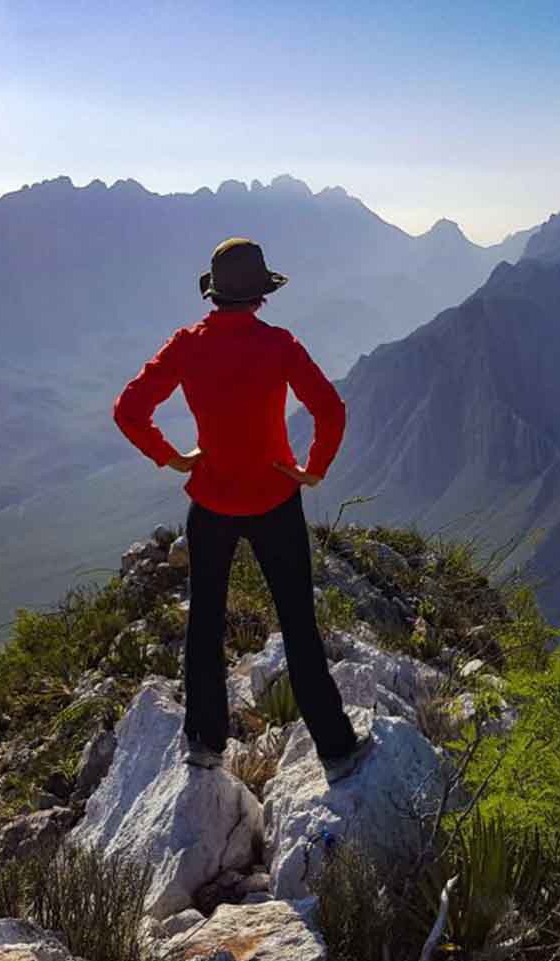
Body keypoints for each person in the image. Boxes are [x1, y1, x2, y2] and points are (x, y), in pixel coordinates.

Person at [113, 237, 373, 782]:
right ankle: (336, 748)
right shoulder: (278, 345)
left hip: (210, 500)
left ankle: (204, 742)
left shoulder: (186, 345)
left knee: (205, 622)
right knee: (298, 622)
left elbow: (130, 409)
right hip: (275, 498)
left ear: (214, 293)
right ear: (260, 295)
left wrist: (174, 459)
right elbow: (330, 409)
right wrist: (313, 468)